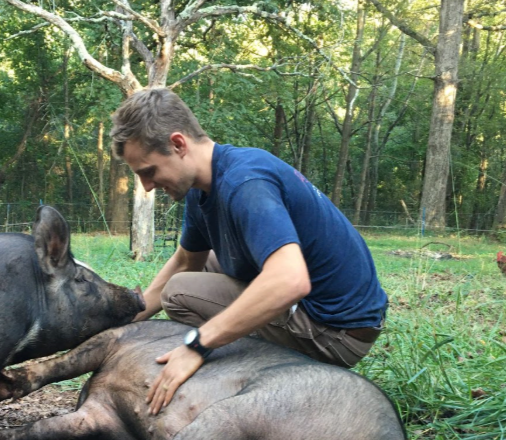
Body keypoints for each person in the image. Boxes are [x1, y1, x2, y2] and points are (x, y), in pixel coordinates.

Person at [110, 88, 388, 415]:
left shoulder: (245, 183)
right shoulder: (203, 189)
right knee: (198, 269)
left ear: (178, 144)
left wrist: (197, 344)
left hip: (336, 332)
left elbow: (290, 281)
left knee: (180, 292)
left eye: (148, 171)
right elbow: (187, 261)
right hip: (323, 312)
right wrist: (122, 321)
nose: (146, 186)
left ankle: (258, 381)